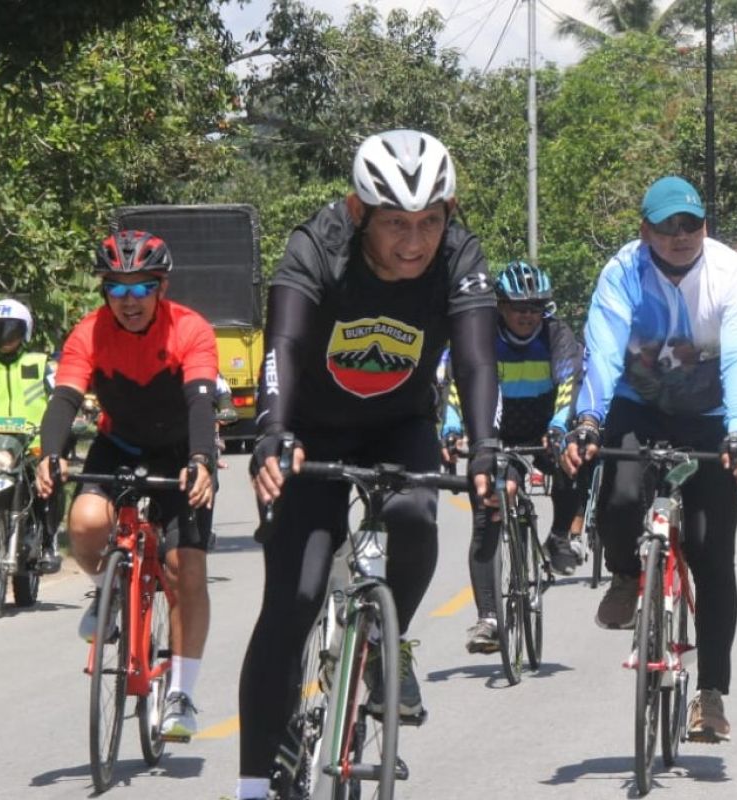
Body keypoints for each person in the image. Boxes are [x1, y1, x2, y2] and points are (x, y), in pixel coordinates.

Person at [236, 129, 500, 800]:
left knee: (415, 516)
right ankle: (251, 787)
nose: (415, 242)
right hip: (312, 433)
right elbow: (286, 345)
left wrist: (486, 448)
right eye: (395, 225)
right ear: (359, 214)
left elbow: (474, 360)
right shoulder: (317, 244)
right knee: (292, 600)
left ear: (450, 213)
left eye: (430, 222)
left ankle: (389, 639)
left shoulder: (460, 256)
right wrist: (272, 431)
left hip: (400, 426)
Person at [561, 175, 737, 744]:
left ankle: (712, 694)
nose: (680, 237)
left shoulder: (732, 276)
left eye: (690, 225)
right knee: (620, 500)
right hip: (637, 407)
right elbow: (602, 351)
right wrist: (589, 420)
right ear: (644, 230)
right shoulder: (622, 272)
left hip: (711, 417)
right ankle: (628, 575)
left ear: (704, 225)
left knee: (711, 553)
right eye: (667, 227)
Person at [33, 231, 218, 740]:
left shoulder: (190, 329)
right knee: (87, 522)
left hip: (183, 454)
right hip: (121, 445)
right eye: (117, 290)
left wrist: (202, 460)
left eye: (141, 290)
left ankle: (181, 692)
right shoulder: (88, 333)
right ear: (104, 292)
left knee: (185, 570)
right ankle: (106, 593)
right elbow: (66, 399)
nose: (129, 302)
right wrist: (51, 453)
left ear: (161, 287)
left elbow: (202, 401)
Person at [441, 260, 583, 654]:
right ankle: (488, 619)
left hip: (543, 426)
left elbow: (570, 385)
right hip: (495, 431)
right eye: (519, 307)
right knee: (486, 518)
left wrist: (558, 428)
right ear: (499, 306)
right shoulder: (482, 334)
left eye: (536, 307)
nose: (527, 315)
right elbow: (458, 386)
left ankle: (558, 538)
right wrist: (451, 429)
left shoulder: (556, 334)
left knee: (575, 464)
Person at [0, 297, 61, 573]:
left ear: (25, 331)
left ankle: (48, 542)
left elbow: (62, 397)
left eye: (11, 329)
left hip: (34, 445)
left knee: (51, 485)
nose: (4, 336)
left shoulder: (40, 363)